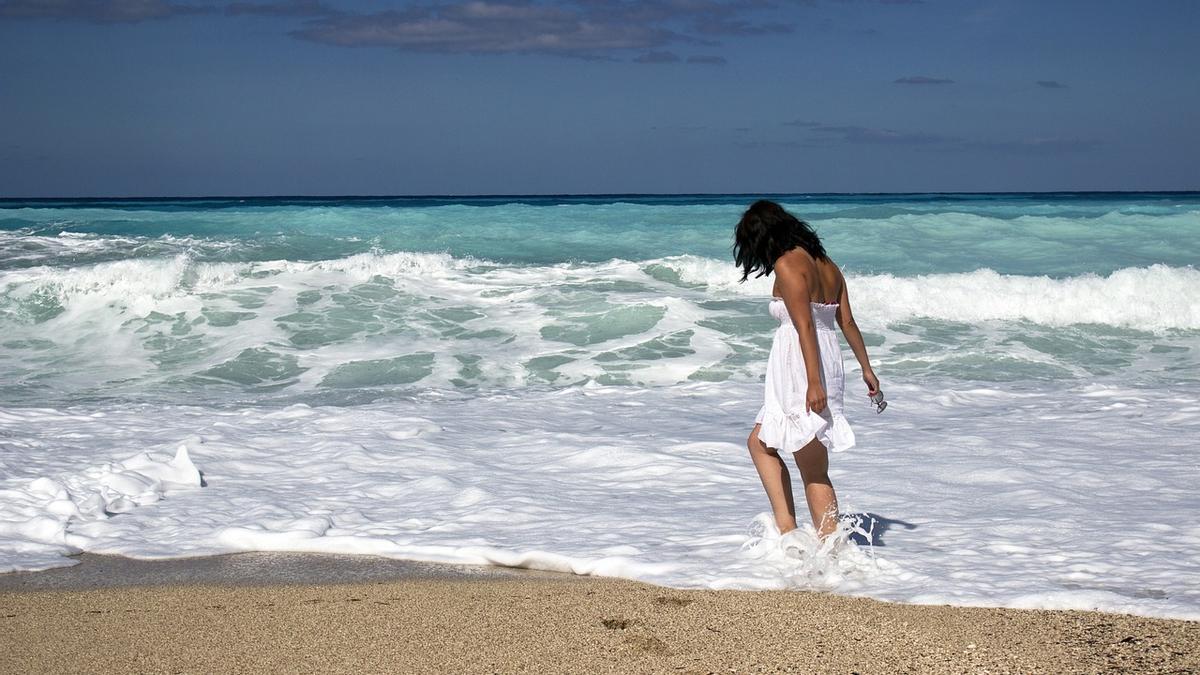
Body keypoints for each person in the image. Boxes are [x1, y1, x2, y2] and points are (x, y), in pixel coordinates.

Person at [733, 200, 880, 539]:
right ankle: (797, 537)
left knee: (810, 465)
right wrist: (866, 368)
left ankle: (822, 548)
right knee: (765, 444)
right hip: (826, 359)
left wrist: (814, 383)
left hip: (803, 366)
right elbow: (847, 321)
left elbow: (805, 328)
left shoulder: (788, 264)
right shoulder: (828, 266)